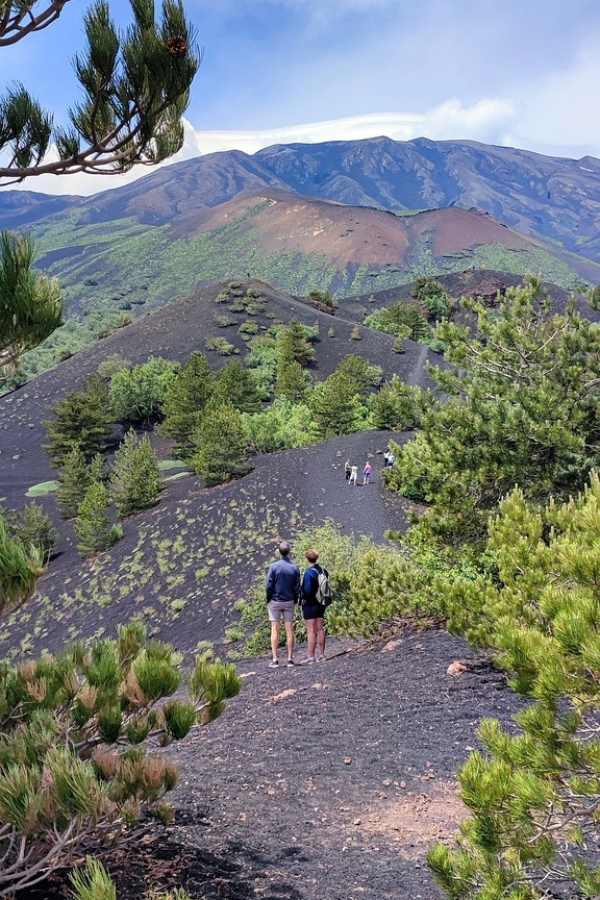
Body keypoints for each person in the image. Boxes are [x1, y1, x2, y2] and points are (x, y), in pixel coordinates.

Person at [266, 541, 301, 668]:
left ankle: (275, 659)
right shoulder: (294, 567)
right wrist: (295, 600)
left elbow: (269, 585)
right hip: (289, 601)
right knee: (289, 629)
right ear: (289, 551)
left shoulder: (274, 567)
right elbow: (297, 587)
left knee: (275, 629)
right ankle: (290, 659)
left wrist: (268, 599)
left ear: (279, 552)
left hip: (275, 601)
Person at [302, 549, 328, 662]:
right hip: (321, 602)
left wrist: (302, 599)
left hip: (310, 604)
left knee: (311, 630)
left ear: (307, 558)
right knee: (320, 628)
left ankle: (311, 656)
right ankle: (322, 655)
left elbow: (307, 591)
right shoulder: (323, 570)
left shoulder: (309, 572)